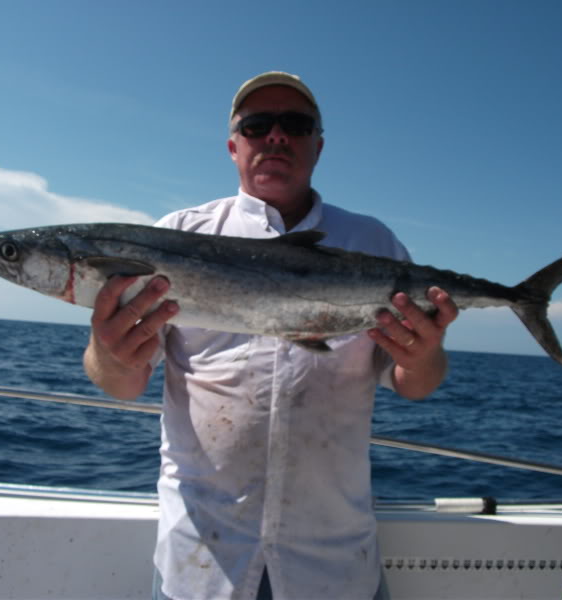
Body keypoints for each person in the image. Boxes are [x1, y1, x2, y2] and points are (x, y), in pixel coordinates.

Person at [83, 71, 458, 600]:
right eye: (258, 125)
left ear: (318, 146)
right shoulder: (177, 237)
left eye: (295, 125)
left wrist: (423, 357)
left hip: (333, 563)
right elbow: (120, 384)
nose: (276, 137)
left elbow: (417, 382)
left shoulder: (374, 242)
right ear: (234, 146)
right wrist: (109, 350)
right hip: (203, 562)